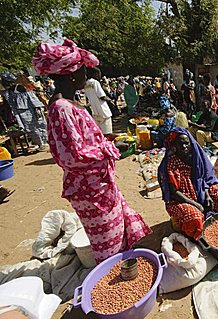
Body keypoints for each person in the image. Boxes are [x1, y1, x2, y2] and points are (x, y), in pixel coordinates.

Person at [32, 38, 152, 263]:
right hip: (90, 189)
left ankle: (121, 270)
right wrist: (110, 147)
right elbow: (72, 156)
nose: (86, 77)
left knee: (116, 232)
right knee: (107, 241)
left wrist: (106, 138)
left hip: (99, 184)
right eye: (83, 72)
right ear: (71, 75)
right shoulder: (61, 109)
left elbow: (83, 142)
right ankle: (110, 279)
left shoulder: (68, 103)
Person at [158, 127, 218, 239]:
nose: (184, 147)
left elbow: (207, 178)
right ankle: (197, 236)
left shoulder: (197, 157)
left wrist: (206, 195)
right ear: (174, 146)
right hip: (180, 199)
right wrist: (194, 204)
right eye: (180, 144)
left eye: (186, 143)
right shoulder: (171, 163)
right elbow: (173, 192)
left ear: (191, 142)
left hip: (201, 191)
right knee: (194, 216)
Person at [0, 72, 49, 150]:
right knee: (31, 128)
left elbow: (31, 99)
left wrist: (37, 108)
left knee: (39, 125)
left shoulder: (19, 88)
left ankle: (44, 142)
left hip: (31, 110)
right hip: (21, 113)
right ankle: (40, 143)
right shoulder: (8, 91)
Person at [84, 67, 113, 137]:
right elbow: (101, 96)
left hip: (95, 110)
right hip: (103, 110)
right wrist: (110, 100)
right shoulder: (95, 82)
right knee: (107, 133)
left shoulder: (85, 84)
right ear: (95, 74)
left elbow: (87, 97)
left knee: (99, 133)